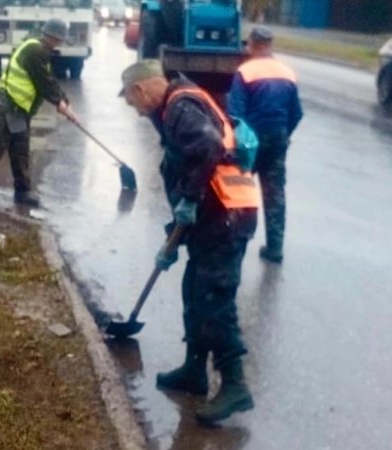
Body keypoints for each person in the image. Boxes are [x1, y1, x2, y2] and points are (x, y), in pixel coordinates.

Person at [119, 60, 260, 425]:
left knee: (213, 298)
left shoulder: (180, 107)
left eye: (133, 104)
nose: (136, 112)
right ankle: (195, 371)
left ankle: (234, 384)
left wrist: (191, 201)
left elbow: (209, 147)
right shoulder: (175, 105)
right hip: (213, 215)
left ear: (141, 90)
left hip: (227, 214)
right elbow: (189, 167)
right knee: (193, 290)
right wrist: (176, 228)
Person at [0, 19, 77, 207]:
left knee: (20, 149)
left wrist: (64, 102)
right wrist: (60, 104)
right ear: (54, 37)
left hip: (18, 109)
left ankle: (23, 192)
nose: (62, 42)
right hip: (8, 105)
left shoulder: (39, 49)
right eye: (61, 39)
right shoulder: (35, 50)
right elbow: (44, 83)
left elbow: (48, 80)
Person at [228, 26, 303, 264]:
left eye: (248, 44)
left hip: (252, 140)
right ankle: (275, 249)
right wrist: (284, 134)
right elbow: (296, 113)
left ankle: (236, 243)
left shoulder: (245, 71)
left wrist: (238, 142)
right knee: (275, 194)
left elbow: (236, 112)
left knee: (240, 190)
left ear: (254, 45)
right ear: (269, 46)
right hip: (278, 138)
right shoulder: (287, 73)